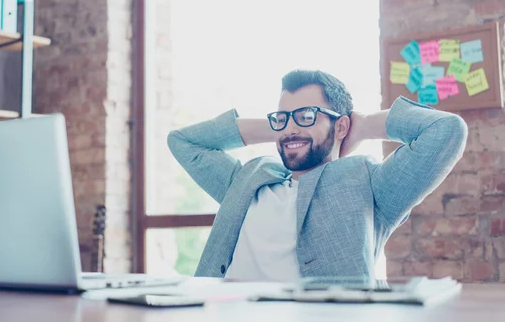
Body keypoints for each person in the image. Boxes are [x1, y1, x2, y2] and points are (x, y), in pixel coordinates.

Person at [167, 69, 467, 282]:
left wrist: (361, 125)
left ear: (340, 127)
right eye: (283, 117)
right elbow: (182, 141)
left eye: (306, 115)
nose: (291, 127)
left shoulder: (369, 183)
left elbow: (446, 131)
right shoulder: (249, 178)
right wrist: (280, 127)